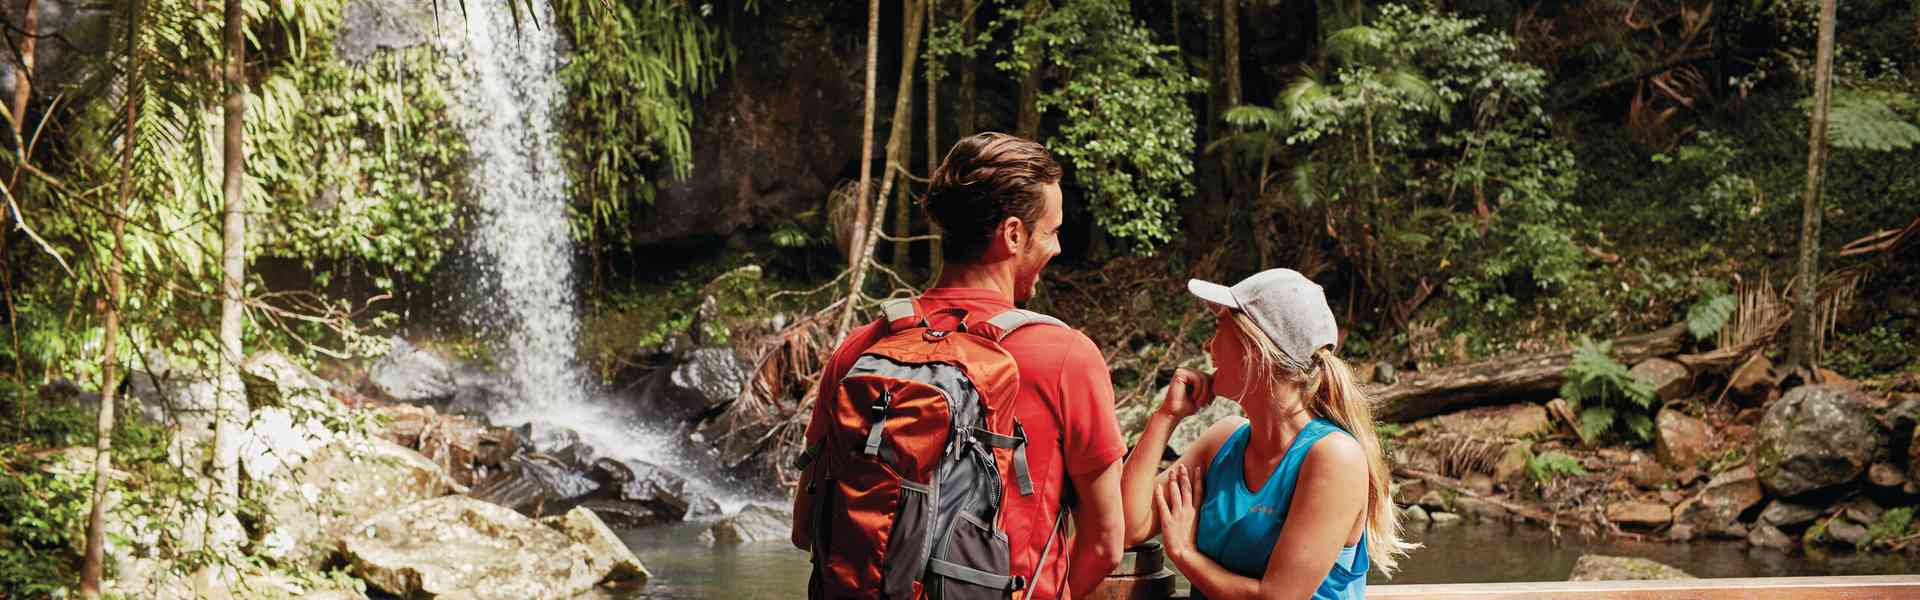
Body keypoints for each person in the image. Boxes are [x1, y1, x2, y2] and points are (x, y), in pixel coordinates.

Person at [791, 132, 1126, 599]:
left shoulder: (860, 349)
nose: (1057, 248)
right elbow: (1107, 543)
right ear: (1013, 234)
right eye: (1050, 232)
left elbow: (807, 529)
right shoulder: (1066, 356)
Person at [1119, 269, 1416, 600]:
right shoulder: (1222, 441)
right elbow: (1126, 527)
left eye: (1218, 329)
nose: (1208, 345)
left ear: (1255, 349)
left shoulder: (1334, 457)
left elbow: (1276, 598)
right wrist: (1166, 417)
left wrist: (1185, 554)